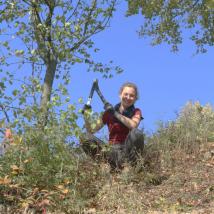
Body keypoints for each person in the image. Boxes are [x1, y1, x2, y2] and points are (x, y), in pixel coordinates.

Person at [81, 82, 144, 172]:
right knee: (85, 137)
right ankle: (104, 164)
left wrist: (114, 113)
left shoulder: (136, 111)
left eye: (131, 96)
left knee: (136, 133)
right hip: (111, 151)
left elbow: (133, 125)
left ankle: (129, 167)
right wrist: (86, 116)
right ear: (120, 94)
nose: (128, 97)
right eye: (126, 94)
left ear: (135, 99)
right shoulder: (108, 113)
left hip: (126, 151)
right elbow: (91, 130)